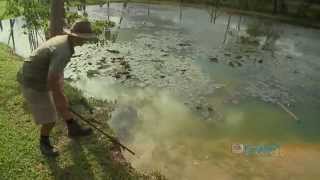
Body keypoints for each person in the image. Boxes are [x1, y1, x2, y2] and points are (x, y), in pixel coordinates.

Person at [17, 20, 97, 157]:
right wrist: (59, 97)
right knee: (51, 117)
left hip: (39, 74)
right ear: (76, 36)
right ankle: (44, 143)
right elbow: (51, 80)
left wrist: (60, 92)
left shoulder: (64, 40)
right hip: (33, 81)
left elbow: (55, 71)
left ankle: (73, 129)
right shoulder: (63, 50)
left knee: (61, 101)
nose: (86, 41)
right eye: (85, 38)